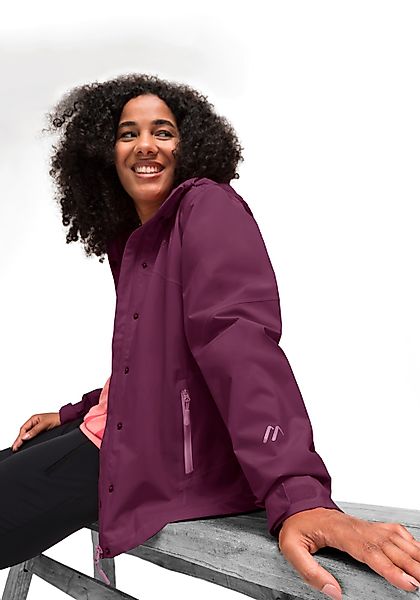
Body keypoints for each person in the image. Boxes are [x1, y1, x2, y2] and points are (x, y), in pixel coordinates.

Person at [1, 74, 419, 600]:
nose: (146, 145)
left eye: (163, 132)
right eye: (128, 134)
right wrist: (73, 412)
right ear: (106, 154)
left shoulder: (207, 207)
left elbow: (238, 343)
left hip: (144, 457)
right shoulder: (135, 241)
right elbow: (148, 363)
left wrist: (298, 493)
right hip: (116, 430)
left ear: (190, 146)